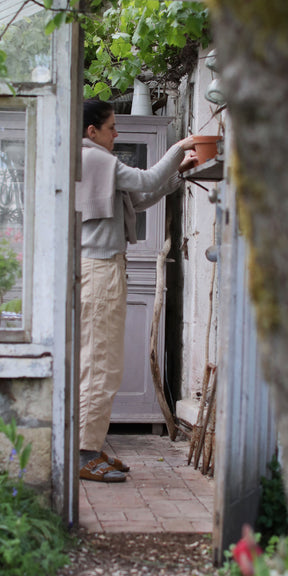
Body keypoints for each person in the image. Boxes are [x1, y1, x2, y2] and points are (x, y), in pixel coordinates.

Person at [75, 99, 197, 482]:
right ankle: (84, 453)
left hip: (99, 268)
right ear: (91, 131)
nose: (116, 133)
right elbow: (144, 181)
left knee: (100, 363)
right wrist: (180, 148)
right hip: (100, 270)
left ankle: (87, 446)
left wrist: (179, 176)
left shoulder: (89, 159)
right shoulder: (93, 158)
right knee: (101, 364)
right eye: (111, 127)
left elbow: (138, 199)